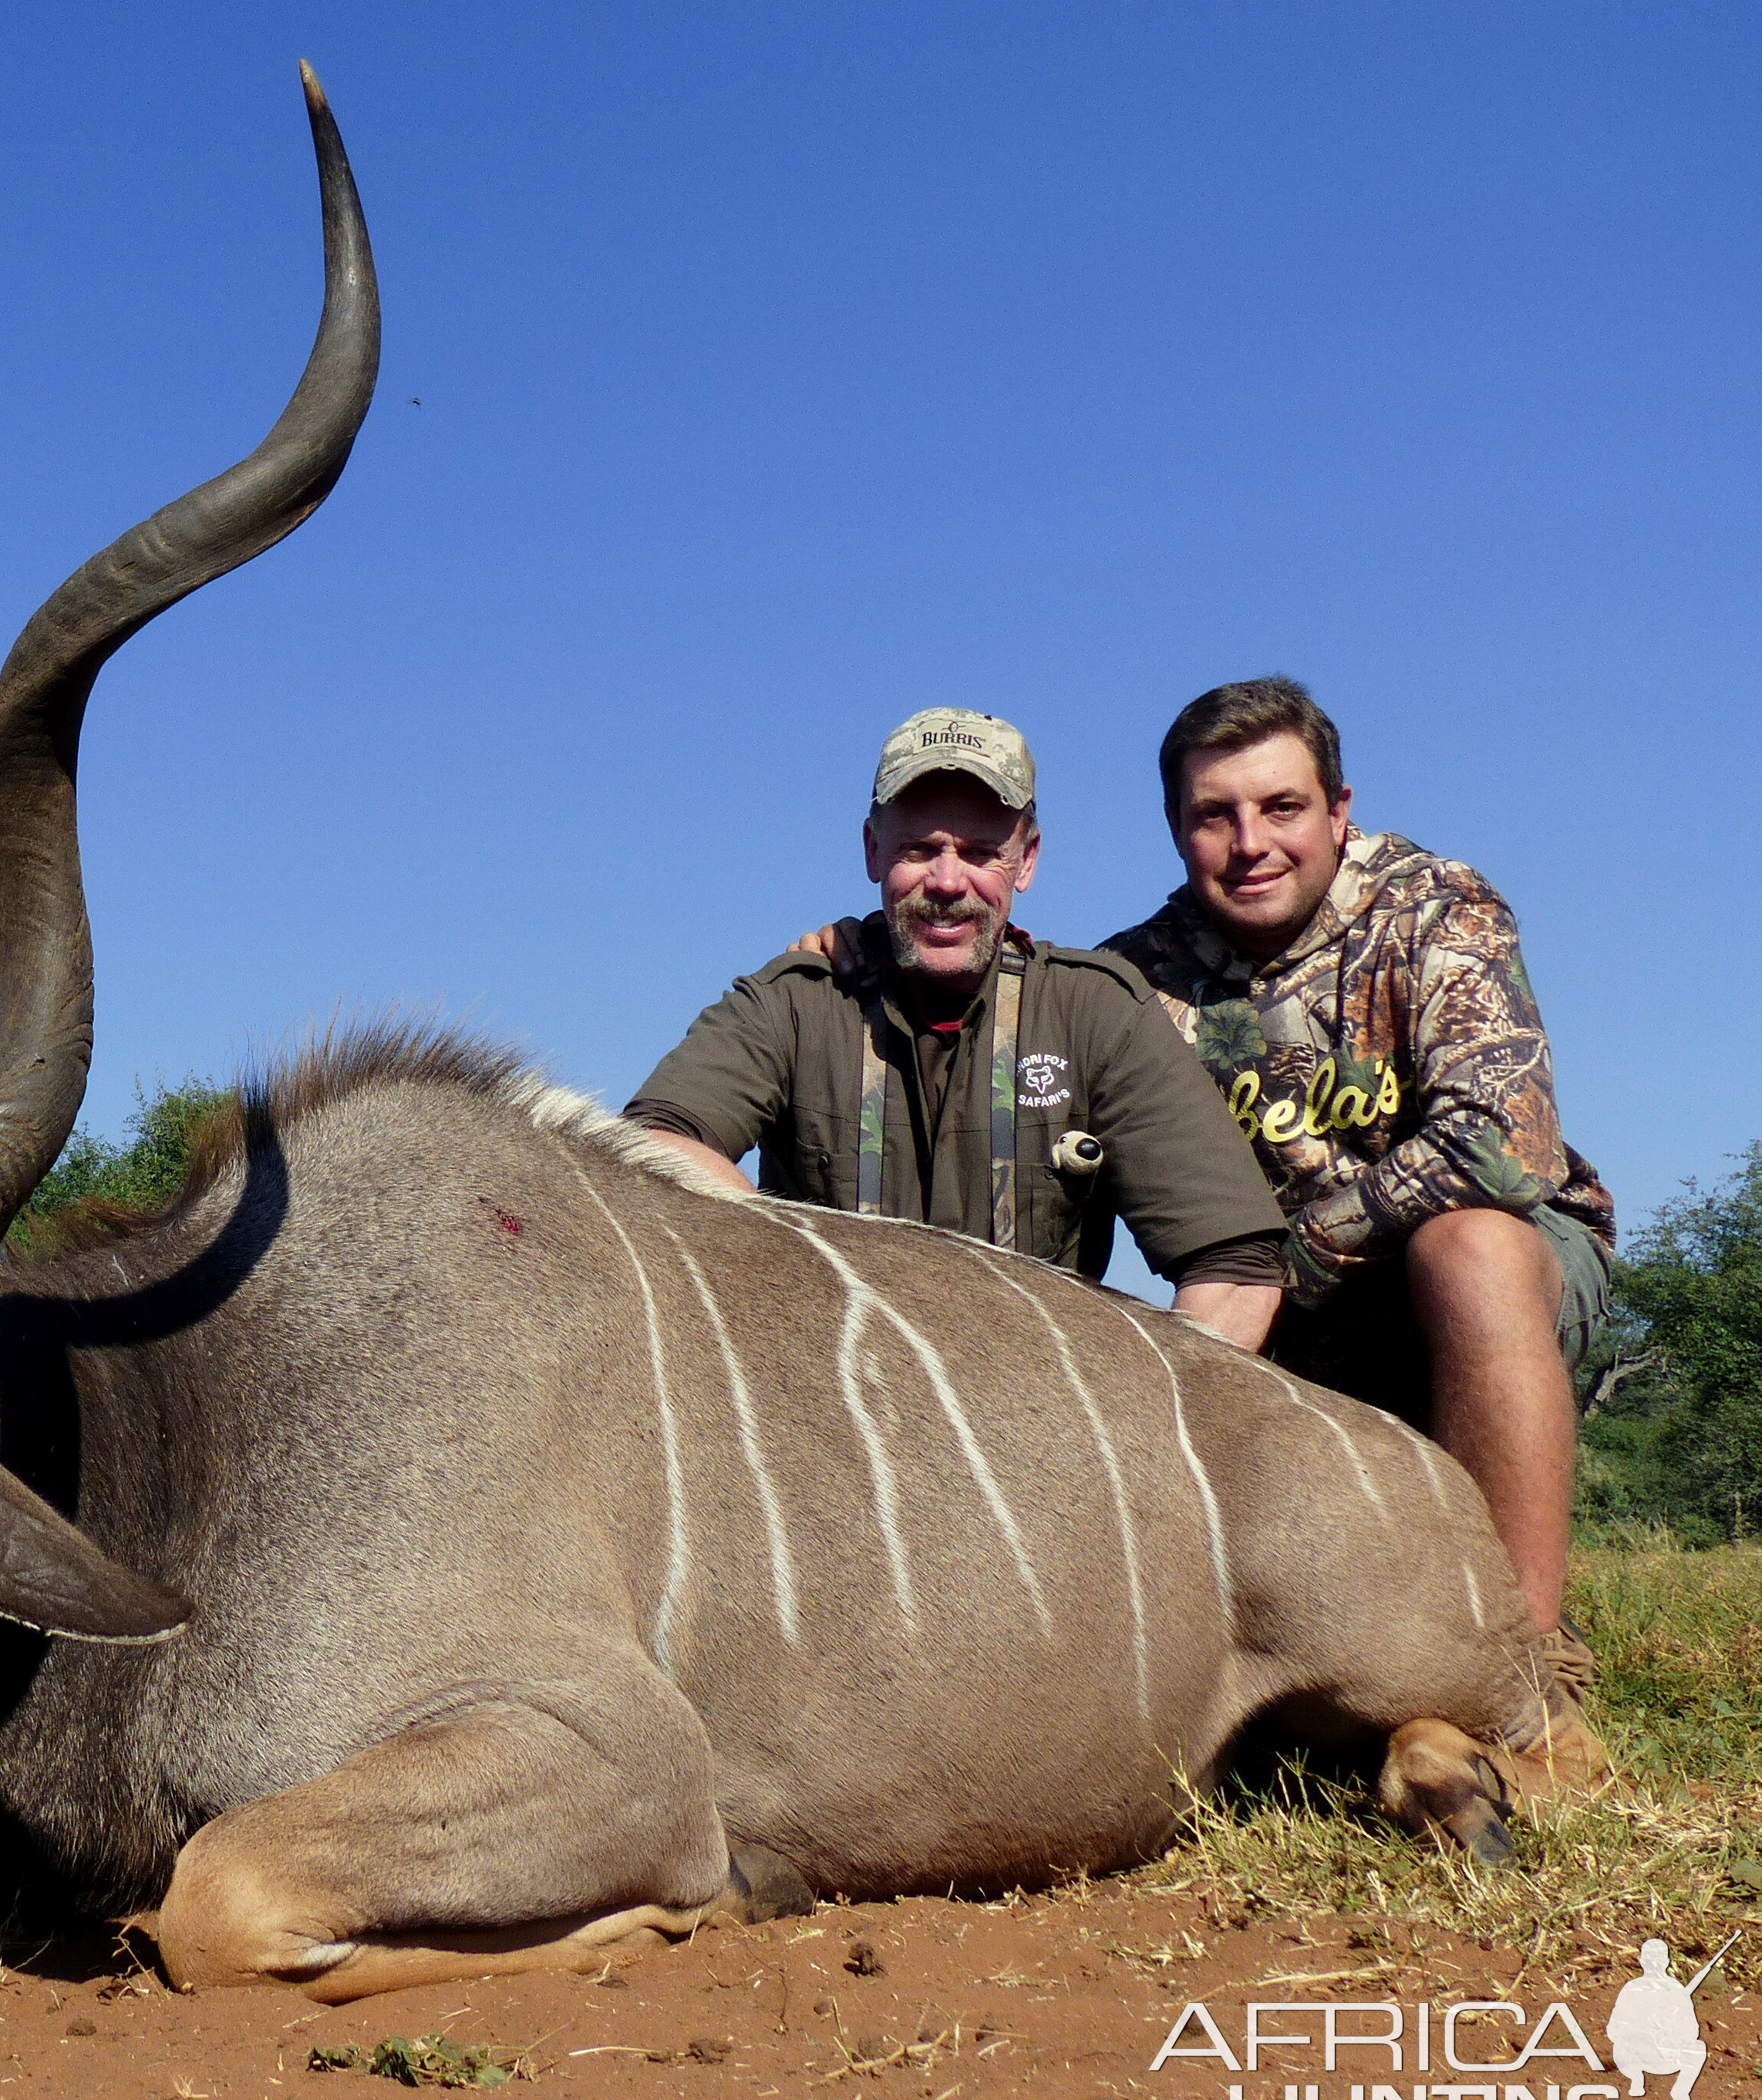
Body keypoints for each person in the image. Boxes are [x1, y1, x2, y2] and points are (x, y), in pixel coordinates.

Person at [1103, 676, 1613, 1647]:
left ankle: (1523, 1674)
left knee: (1471, 1250)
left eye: (1281, 807)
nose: (1250, 843)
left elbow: (1502, 1150)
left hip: (1478, 1286)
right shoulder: (1129, 980)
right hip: (1273, 1327)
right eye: (1214, 817)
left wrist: (1277, 1268)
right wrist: (860, 955)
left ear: (1339, 812)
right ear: (1176, 832)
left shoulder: (1436, 905)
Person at [624, 708, 1289, 1349]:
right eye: (920, 848)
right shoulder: (797, 1002)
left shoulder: (1097, 1011)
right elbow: (653, 1146)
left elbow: (1235, 1271)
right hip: (835, 1410)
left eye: (979, 852)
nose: (947, 881)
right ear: (872, 850)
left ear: (1026, 861)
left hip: (1037, 1421)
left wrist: (1126, 1439)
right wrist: (802, 1292)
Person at [1606, 1940, 1710, 2100]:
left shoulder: (1676, 1990)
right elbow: (1614, 2028)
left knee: (1698, 2048)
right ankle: (1636, 2080)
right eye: (1650, 1960)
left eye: (1658, 1960)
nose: (1654, 1964)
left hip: (1666, 2054)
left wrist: (1672, 2030)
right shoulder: (1632, 1988)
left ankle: (1681, 2092)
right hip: (1636, 2053)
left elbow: (1692, 2030)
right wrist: (1640, 2028)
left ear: (1666, 1962)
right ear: (1642, 1962)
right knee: (1622, 2046)